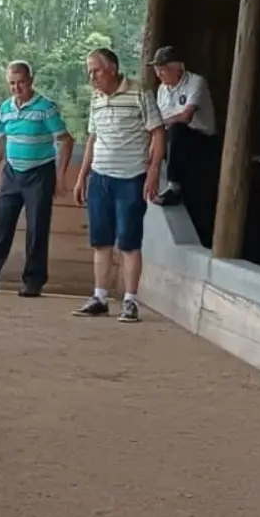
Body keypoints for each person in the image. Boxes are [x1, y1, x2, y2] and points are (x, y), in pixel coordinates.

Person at [73, 48, 164, 322]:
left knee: (128, 242)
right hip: (100, 177)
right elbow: (92, 139)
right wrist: (82, 176)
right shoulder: (96, 99)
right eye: (89, 72)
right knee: (101, 241)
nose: (92, 77)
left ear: (112, 68)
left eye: (96, 70)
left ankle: (130, 301)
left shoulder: (140, 93)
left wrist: (153, 172)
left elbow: (158, 133)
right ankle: (100, 297)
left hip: (131, 177)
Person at [0, 61, 73, 297]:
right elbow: (0, 140)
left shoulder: (46, 107)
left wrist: (60, 176)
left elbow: (66, 140)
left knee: (37, 228)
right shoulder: (5, 108)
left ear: (31, 80)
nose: (17, 88)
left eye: (21, 82)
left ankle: (33, 282)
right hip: (12, 172)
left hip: (40, 173)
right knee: (0, 226)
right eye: (12, 84)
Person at [150, 45, 220, 245]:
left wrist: (160, 125)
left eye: (162, 69)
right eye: (157, 69)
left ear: (177, 68)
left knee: (176, 129)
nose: (159, 73)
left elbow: (186, 116)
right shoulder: (162, 89)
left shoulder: (196, 82)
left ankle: (174, 185)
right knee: (165, 133)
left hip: (201, 141)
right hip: (176, 142)